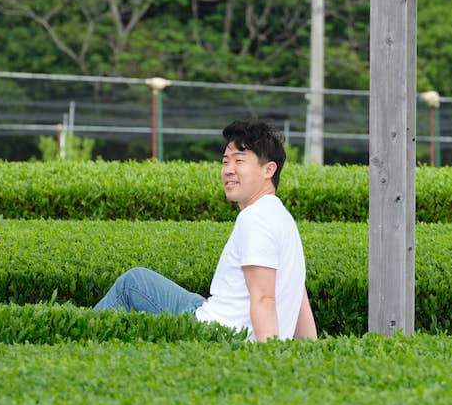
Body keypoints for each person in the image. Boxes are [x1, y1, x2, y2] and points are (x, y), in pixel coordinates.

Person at [94, 119, 315, 341]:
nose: (228, 170)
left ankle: (75, 349)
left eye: (239, 161)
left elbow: (264, 298)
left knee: (132, 283)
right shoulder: (282, 217)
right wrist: (309, 353)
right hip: (216, 315)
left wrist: (271, 361)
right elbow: (299, 295)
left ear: (269, 170)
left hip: (216, 332)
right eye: (225, 161)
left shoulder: (255, 218)